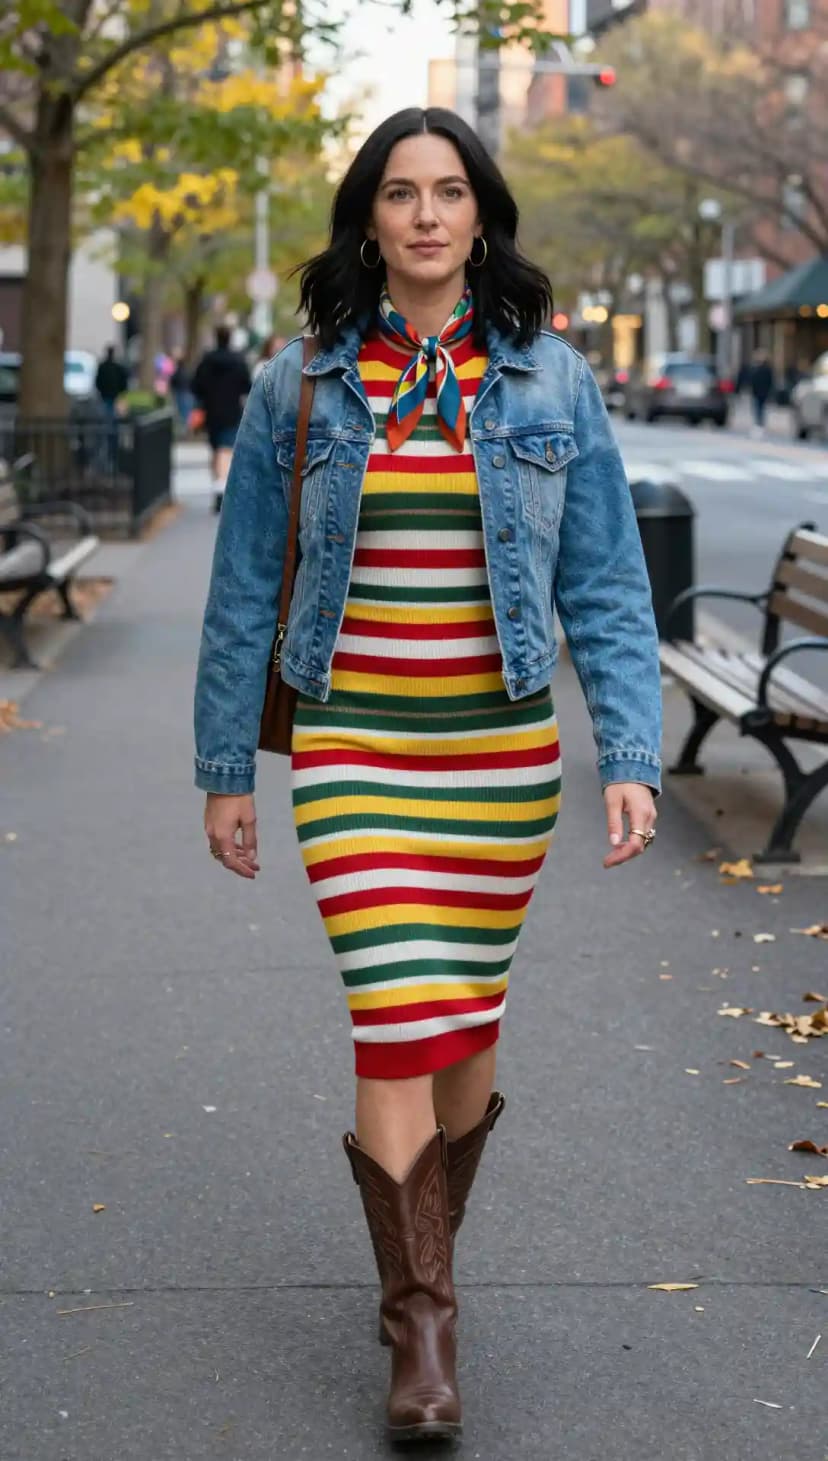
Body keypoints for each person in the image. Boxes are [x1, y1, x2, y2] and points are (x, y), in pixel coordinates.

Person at [193, 108, 661, 1445]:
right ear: (368, 220)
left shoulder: (553, 384)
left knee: (459, 1027)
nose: (425, 216)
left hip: (498, 758)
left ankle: (423, 1264)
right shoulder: (301, 388)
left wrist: (628, 754)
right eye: (399, 194)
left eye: (449, 192)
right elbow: (240, 593)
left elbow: (610, 587)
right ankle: (425, 1334)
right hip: (355, 751)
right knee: (395, 1012)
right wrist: (229, 768)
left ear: (480, 216)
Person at [192, 324, 252, 512]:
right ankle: (221, 490)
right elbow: (247, 385)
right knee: (225, 451)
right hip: (232, 411)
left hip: (211, 412)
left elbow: (196, 385)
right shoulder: (238, 361)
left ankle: (217, 487)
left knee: (216, 450)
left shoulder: (207, 361)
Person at [94, 345, 128, 419]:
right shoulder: (117, 367)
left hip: (109, 395)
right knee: (111, 415)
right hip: (111, 394)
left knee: (108, 415)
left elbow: (98, 381)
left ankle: (109, 428)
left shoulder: (105, 367)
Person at [749, 348, 774, 436]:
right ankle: (759, 424)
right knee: (758, 409)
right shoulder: (757, 368)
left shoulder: (764, 369)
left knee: (759, 409)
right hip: (758, 392)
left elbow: (770, 382)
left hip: (761, 392)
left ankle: (759, 424)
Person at [169, 348, 194, 429]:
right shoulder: (186, 371)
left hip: (181, 393)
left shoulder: (179, 371)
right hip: (186, 393)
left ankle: (185, 428)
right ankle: (186, 428)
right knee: (186, 412)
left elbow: (174, 381)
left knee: (183, 412)